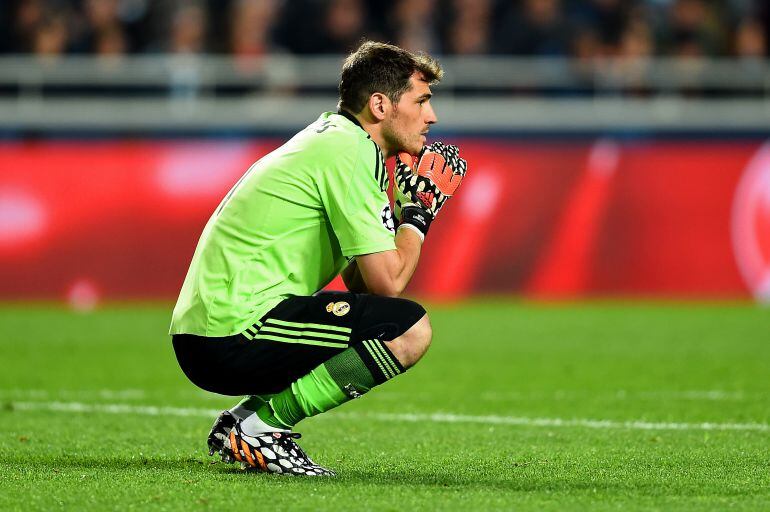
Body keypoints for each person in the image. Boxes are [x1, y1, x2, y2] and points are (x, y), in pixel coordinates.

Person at [169, 41, 467, 476]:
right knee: (409, 330)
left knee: (381, 320)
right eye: (420, 101)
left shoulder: (339, 141)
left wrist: (406, 213)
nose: (431, 116)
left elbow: (362, 283)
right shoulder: (351, 153)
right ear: (380, 105)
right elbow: (389, 284)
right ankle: (262, 426)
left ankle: (244, 420)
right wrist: (418, 215)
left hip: (211, 329)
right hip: (231, 332)